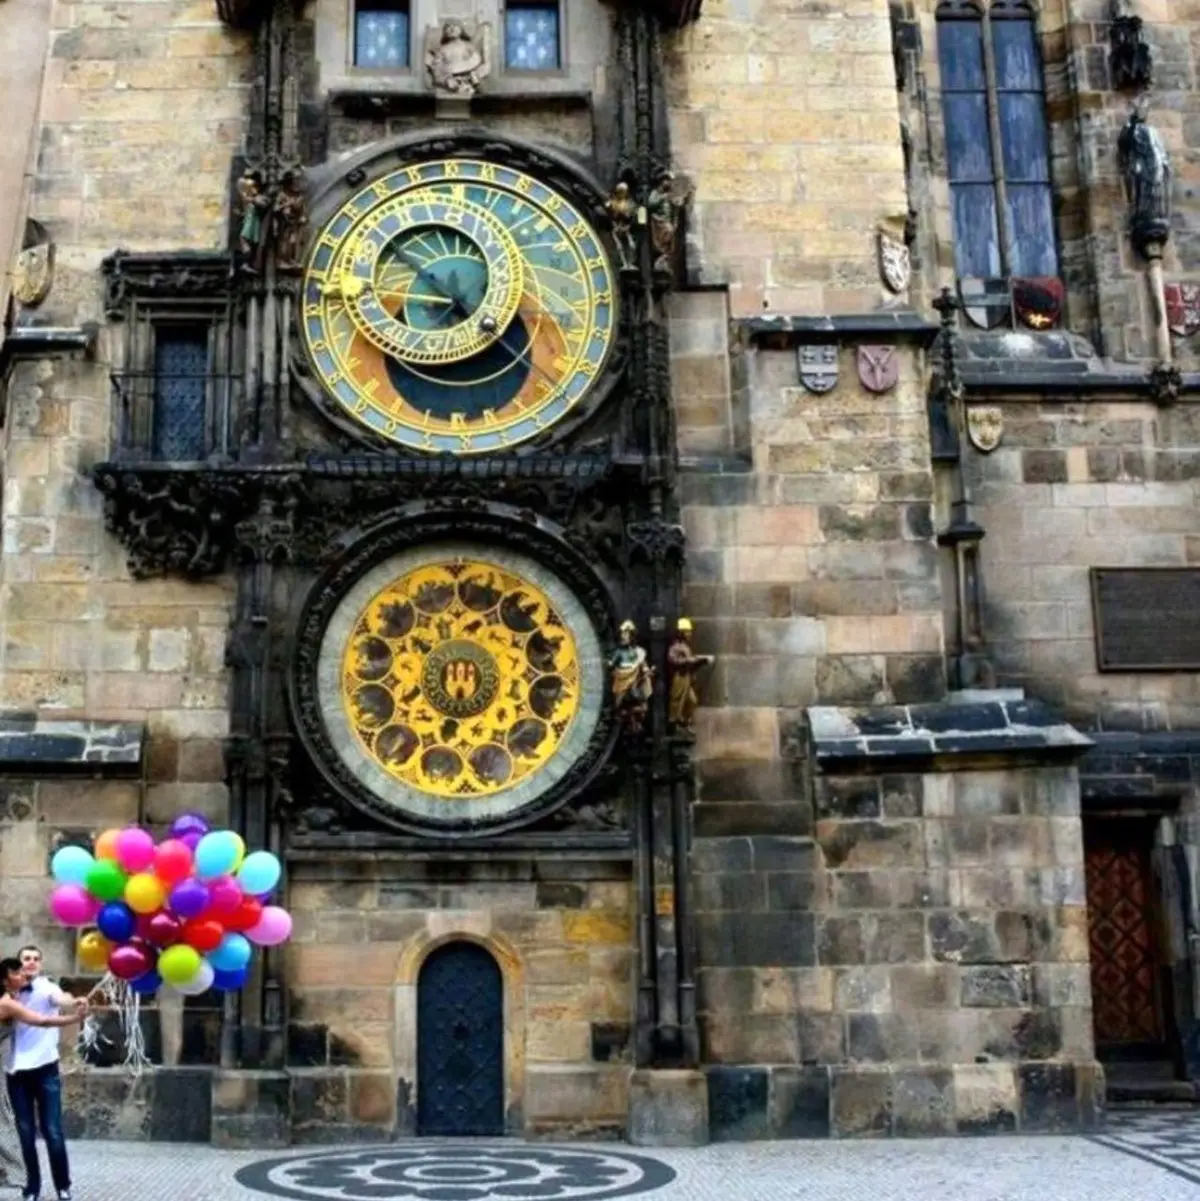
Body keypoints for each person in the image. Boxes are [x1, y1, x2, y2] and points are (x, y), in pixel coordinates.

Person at [5, 948, 87, 1201]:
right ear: (18, 965)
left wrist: (75, 1003)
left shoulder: (46, 988)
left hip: (45, 1068)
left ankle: (63, 1186)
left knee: (52, 1130)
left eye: (36, 958)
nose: (31, 962)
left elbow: (61, 998)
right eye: (26, 959)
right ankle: (31, 1187)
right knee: (24, 1133)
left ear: (41, 964)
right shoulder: (9, 993)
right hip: (15, 1070)